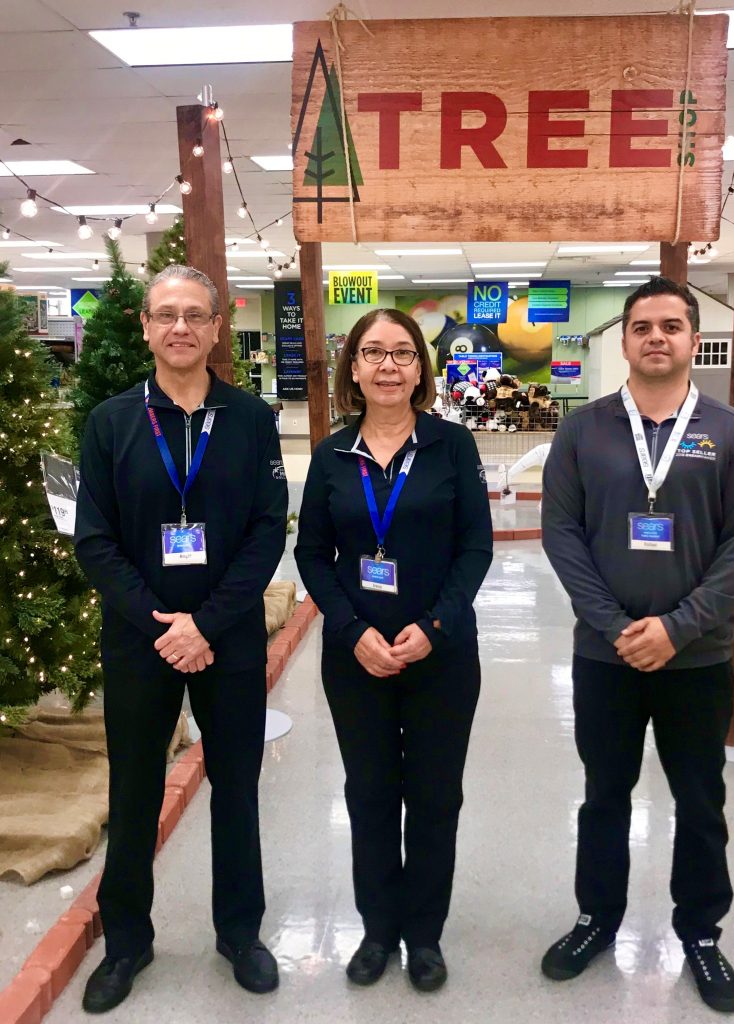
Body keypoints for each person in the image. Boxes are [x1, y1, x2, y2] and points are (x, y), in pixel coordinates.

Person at [541, 277, 734, 1014]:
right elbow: (563, 534)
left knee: (700, 800)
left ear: (692, 339)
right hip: (605, 658)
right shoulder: (585, 429)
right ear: (625, 340)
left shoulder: (730, 432)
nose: (656, 337)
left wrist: (678, 626)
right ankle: (595, 920)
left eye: (671, 325)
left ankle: (700, 933)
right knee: (604, 796)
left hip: (697, 660)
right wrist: (614, 625)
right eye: (642, 326)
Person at [74, 265, 288, 1014]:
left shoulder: (251, 418)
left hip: (226, 637)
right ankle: (127, 940)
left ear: (217, 326)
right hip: (141, 639)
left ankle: (240, 933)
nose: (181, 329)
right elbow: (93, 541)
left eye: (196, 315)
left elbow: (267, 533)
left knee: (237, 787)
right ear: (144, 326)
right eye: (166, 314)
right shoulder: (109, 422)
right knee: (133, 791)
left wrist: (208, 623)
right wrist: (164, 626)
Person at [295, 308, 492, 992]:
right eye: (373, 352)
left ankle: (424, 936)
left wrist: (434, 627)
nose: (387, 365)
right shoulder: (331, 454)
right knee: (371, 795)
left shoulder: (450, 448)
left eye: (402, 354)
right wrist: (352, 632)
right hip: (356, 658)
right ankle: (378, 930)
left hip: (441, 655)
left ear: (421, 369)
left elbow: (475, 548)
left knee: (435, 798)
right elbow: (313, 555)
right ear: (352, 368)